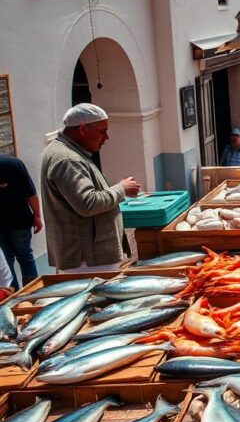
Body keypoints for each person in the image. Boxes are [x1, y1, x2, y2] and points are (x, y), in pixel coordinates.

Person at [41, 103, 140, 273]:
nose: (106, 137)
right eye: (102, 131)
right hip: (87, 260)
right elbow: (88, 204)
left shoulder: (69, 152)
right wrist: (121, 189)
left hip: (89, 258)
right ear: (83, 129)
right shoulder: (67, 159)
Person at [0, 155, 42, 290]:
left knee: (5, 264)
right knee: (26, 258)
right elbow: (31, 193)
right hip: (20, 222)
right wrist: (37, 216)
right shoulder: (14, 163)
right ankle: (32, 294)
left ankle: (13, 298)